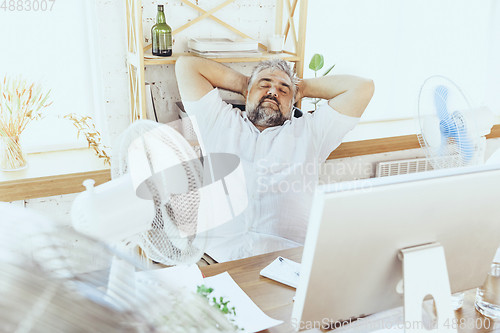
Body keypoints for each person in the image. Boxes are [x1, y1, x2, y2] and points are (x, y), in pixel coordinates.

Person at [175, 56, 374, 262]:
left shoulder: (311, 132)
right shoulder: (218, 121)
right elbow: (187, 66)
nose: (273, 92)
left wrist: (302, 87)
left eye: (283, 90)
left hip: (284, 261)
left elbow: (362, 88)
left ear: (293, 101)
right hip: (215, 257)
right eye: (264, 85)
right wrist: (245, 83)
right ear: (247, 94)